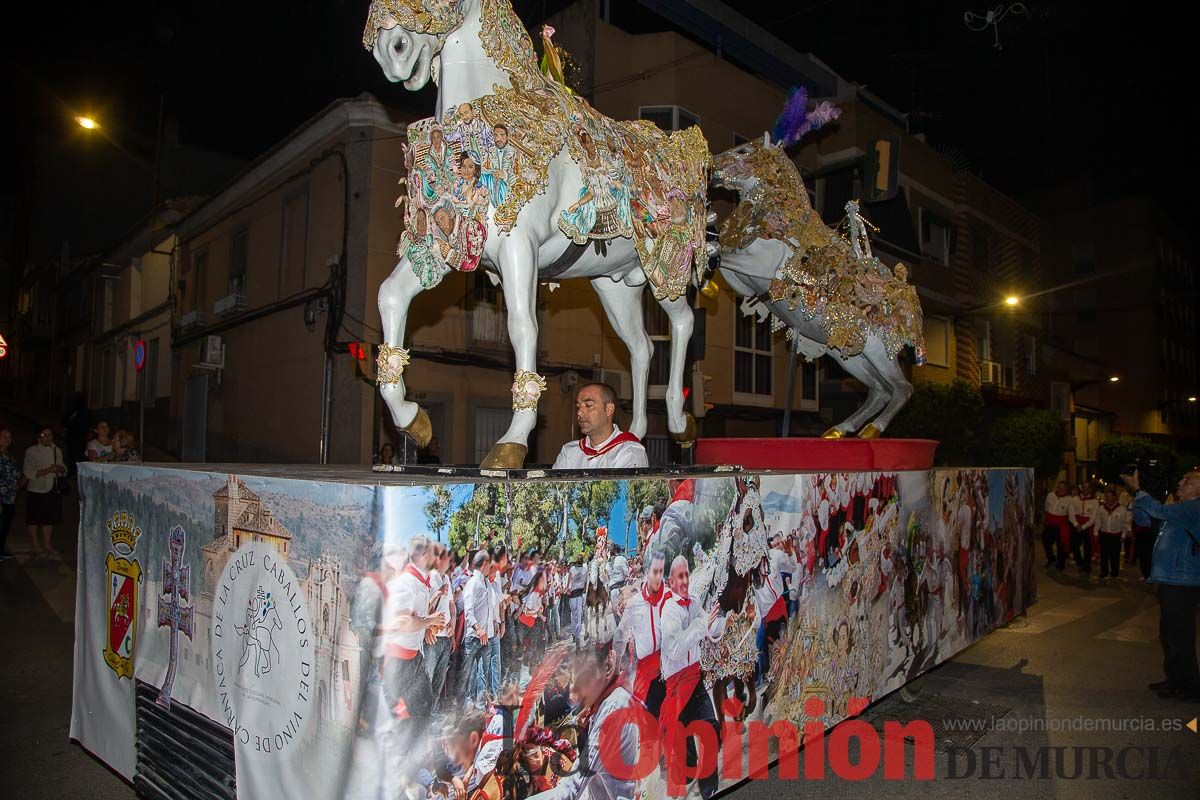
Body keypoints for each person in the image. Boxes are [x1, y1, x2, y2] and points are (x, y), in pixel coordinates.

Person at [1123, 468, 1200, 702]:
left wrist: (1137, 489)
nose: (1179, 484)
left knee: (1181, 637)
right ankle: (1175, 679)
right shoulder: (1178, 509)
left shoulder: (1194, 508)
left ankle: (1190, 687)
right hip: (1170, 579)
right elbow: (1144, 519)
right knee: (1168, 634)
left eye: (1185, 482)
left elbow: (1156, 510)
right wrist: (1139, 500)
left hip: (1183, 581)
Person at [660, 555, 727, 800]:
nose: (686, 580)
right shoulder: (669, 611)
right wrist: (701, 627)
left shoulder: (695, 601)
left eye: (687, 574)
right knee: (683, 747)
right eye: (680, 576)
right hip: (677, 686)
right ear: (670, 581)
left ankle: (709, 789)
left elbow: (710, 627)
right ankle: (688, 773)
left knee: (710, 728)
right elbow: (675, 650)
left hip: (695, 681)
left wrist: (724, 621)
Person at [380, 535, 444, 781]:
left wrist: (426, 627)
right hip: (398, 664)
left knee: (423, 710)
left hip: (414, 658)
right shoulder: (406, 583)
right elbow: (403, 621)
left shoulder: (422, 583)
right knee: (404, 721)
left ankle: (415, 767)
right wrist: (429, 622)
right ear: (422, 556)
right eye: (432, 554)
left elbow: (417, 617)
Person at [551, 383, 647, 469]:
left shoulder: (630, 452)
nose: (579, 412)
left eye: (588, 405)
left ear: (609, 409)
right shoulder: (569, 452)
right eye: (578, 407)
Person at [622, 549, 670, 714]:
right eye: (654, 571)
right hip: (647, 676)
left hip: (669, 670)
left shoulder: (670, 597)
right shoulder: (634, 603)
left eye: (661, 571)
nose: (658, 576)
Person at [23, 427, 65, 563]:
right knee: (34, 518)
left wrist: (60, 469)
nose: (47, 437)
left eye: (50, 435)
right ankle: (35, 545)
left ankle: (47, 544)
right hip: (36, 488)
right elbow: (28, 472)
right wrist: (48, 470)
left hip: (52, 487)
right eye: (44, 435)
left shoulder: (56, 449)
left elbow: (63, 467)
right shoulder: (32, 451)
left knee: (49, 518)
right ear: (38, 437)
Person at [426, 543, 455, 714]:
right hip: (433, 637)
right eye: (445, 557)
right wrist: (428, 628)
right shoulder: (431, 577)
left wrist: (453, 623)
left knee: (438, 681)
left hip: (445, 638)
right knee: (428, 679)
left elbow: (451, 604)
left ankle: (431, 716)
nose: (448, 561)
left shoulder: (447, 579)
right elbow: (424, 606)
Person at [1096, 487, 1130, 581]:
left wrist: (1123, 535)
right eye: (1106, 496)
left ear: (1114, 497)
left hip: (1116, 536)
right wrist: (1096, 532)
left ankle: (1114, 573)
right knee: (1104, 555)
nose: (1106, 498)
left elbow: (1125, 523)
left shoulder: (1122, 509)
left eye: (1109, 496)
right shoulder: (1101, 508)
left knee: (1115, 556)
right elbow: (1098, 521)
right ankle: (1104, 572)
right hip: (1104, 535)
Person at [0, 427, 23, 561]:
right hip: (2, 496)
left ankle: (1, 549)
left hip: (10, 496)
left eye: (9, 437)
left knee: (5, 525)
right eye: (4, 436)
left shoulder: (9, 454)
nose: (7, 439)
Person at [1070, 482, 1098, 576]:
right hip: (1076, 525)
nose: (1086, 489)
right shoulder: (1074, 499)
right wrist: (1076, 524)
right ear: (1081, 488)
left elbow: (1093, 517)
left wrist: (1083, 526)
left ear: (1090, 489)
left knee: (1087, 548)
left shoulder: (1094, 501)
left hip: (1087, 526)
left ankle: (1086, 566)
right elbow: (1071, 513)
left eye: (1088, 487)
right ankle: (1080, 563)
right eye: (1084, 487)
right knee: (1074, 546)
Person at [1043, 480, 1071, 571]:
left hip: (1061, 526)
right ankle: (1051, 558)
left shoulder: (1070, 500)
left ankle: (1060, 564)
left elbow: (1070, 514)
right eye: (1059, 487)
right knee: (1045, 540)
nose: (1061, 489)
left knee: (1061, 546)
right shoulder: (1050, 495)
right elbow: (1046, 507)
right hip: (1050, 524)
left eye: (1063, 488)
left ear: (1066, 489)